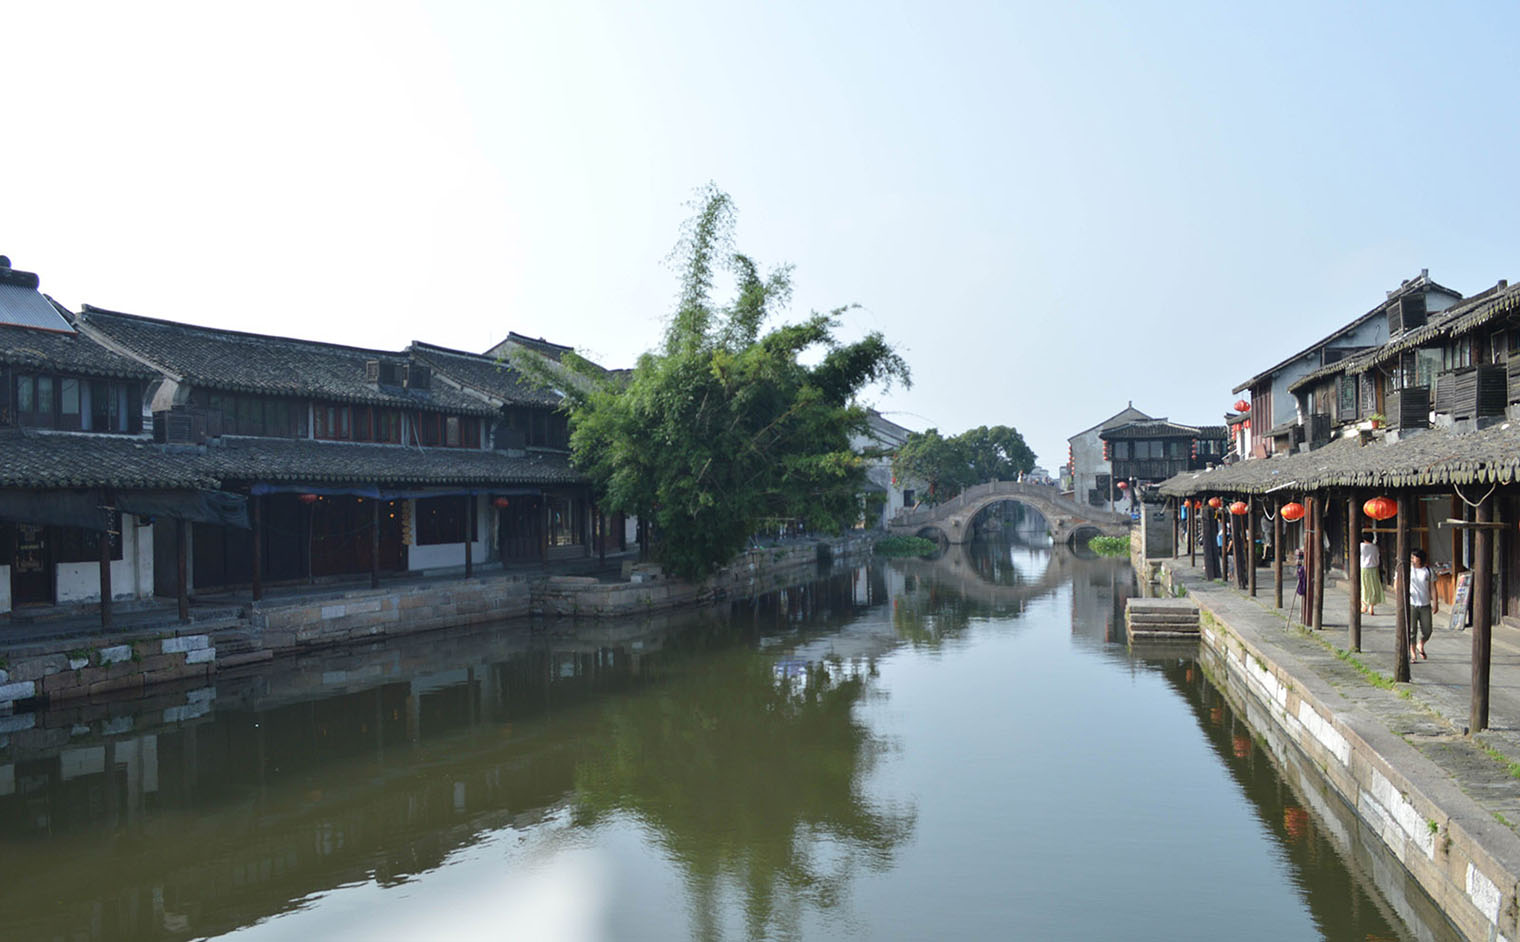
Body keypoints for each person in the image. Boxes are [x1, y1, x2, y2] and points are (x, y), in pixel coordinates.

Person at [1409, 548, 1438, 661]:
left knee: (1427, 630)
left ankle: (1420, 643)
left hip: (1425, 604)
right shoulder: (1408, 570)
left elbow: (1433, 588)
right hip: (1412, 603)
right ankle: (1412, 653)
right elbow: (1398, 583)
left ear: (1420, 559)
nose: (1412, 559)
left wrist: (1435, 603)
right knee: (1412, 630)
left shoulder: (1428, 571)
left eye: (1414, 557)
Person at [1359, 534, 1384, 616]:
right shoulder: (1375, 547)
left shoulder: (1361, 546)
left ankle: (1364, 605)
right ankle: (1371, 607)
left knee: (1364, 586)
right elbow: (1377, 558)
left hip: (1365, 568)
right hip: (1374, 568)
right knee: (1373, 587)